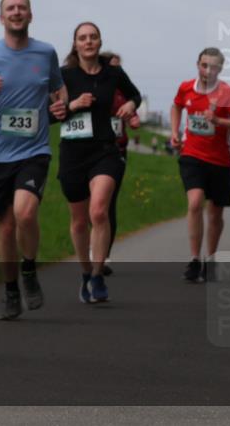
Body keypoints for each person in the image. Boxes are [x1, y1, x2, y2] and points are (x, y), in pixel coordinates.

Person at [0, 0, 67, 320]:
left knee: (25, 214)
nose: (16, 12)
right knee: (6, 227)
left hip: (34, 150)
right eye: (10, 8)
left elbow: (58, 87)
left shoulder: (46, 52)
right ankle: (11, 290)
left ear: (30, 15)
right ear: (1, 18)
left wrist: (60, 104)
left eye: (21, 7)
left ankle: (28, 269)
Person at [57, 27, 141, 303]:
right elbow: (49, 115)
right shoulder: (63, 76)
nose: (88, 41)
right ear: (75, 44)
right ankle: (84, 272)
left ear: (100, 41)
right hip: (72, 154)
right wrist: (72, 106)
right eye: (83, 38)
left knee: (99, 211)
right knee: (79, 221)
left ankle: (97, 274)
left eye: (93, 37)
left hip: (105, 150)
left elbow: (134, 95)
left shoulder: (112, 73)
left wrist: (130, 105)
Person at [170, 48, 230, 282]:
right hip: (192, 155)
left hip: (219, 161)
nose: (208, 71)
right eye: (204, 65)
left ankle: (211, 258)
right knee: (195, 202)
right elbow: (176, 106)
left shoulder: (228, 93)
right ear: (197, 64)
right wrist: (174, 132)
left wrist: (219, 120)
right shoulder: (186, 87)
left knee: (215, 214)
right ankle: (195, 259)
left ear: (220, 69)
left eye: (214, 67)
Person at [96, 51, 141, 277]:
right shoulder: (94, 87)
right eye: (113, 67)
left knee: (107, 205)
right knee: (89, 207)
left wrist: (132, 117)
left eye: (119, 68)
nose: (117, 72)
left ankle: (104, 255)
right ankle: (89, 250)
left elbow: (133, 121)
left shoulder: (125, 92)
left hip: (116, 152)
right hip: (90, 152)